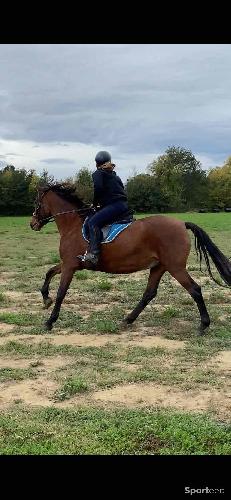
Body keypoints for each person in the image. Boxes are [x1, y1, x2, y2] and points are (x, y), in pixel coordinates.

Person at [78, 151, 130, 268]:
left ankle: (94, 254)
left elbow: (98, 189)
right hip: (122, 205)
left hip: (113, 206)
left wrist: (95, 204)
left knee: (92, 222)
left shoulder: (98, 174)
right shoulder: (115, 175)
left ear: (97, 163)